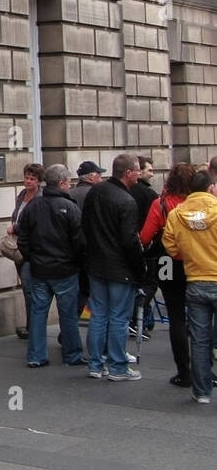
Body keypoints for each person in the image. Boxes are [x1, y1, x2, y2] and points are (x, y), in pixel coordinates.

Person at [81, 154, 146, 380]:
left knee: (98, 314)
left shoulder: (96, 192)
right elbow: (130, 241)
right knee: (118, 317)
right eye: (137, 170)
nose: (139, 173)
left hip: (96, 263)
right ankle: (118, 366)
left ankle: (95, 364)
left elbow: (85, 227)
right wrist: (139, 269)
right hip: (119, 267)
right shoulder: (127, 201)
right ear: (128, 172)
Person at [15, 164, 86, 368]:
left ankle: (36, 355)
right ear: (62, 183)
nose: (70, 185)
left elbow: (23, 238)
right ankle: (71, 354)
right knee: (68, 314)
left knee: (38, 313)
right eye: (69, 182)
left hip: (39, 268)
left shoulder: (34, 206)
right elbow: (79, 242)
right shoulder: (71, 208)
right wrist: (76, 262)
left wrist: (32, 257)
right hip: (65, 269)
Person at [163, 168, 217, 404]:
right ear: (211, 188)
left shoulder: (177, 214)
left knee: (200, 339)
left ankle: (202, 391)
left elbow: (170, 247)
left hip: (195, 279)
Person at [140, 163, 195, 388]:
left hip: (166, 262)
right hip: (195, 261)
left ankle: (183, 370)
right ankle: (204, 369)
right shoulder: (199, 203)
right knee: (201, 316)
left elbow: (145, 238)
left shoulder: (160, 204)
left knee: (176, 317)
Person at [129, 156, 159, 341]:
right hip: (145, 246)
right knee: (150, 283)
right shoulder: (149, 195)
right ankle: (135, 318)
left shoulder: (127, 190)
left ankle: (139, 318)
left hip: (128, 245)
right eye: (149, 170)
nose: (152, 173)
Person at [12, 163, 44, 339]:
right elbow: (17, 214)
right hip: (19, 247)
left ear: (39, 181)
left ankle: (34, 326)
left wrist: (16, 228)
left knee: (29, 286)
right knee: (26, 289)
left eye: (32, 178)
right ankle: (31, 325)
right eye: (26, 177)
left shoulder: (40, 197)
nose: (28, 181)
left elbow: (34, 222)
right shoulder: (22, 195)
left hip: (32, 250)